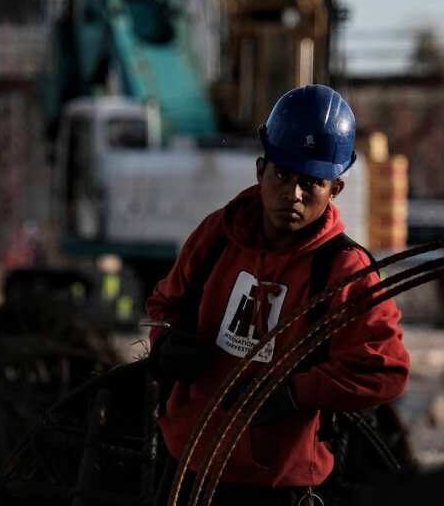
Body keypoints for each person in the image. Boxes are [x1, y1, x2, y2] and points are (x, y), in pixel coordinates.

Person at [145, 84, 410, 505]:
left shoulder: (344, 270)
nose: (294, 194)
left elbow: (385, 371)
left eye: (312, 183)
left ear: (335, 189)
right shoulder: (219, 235)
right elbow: (164, 306)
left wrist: (294, 392)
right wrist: (165, 344)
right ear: (260, 170)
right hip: (186, 469)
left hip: (276, 488)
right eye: (283, 176)